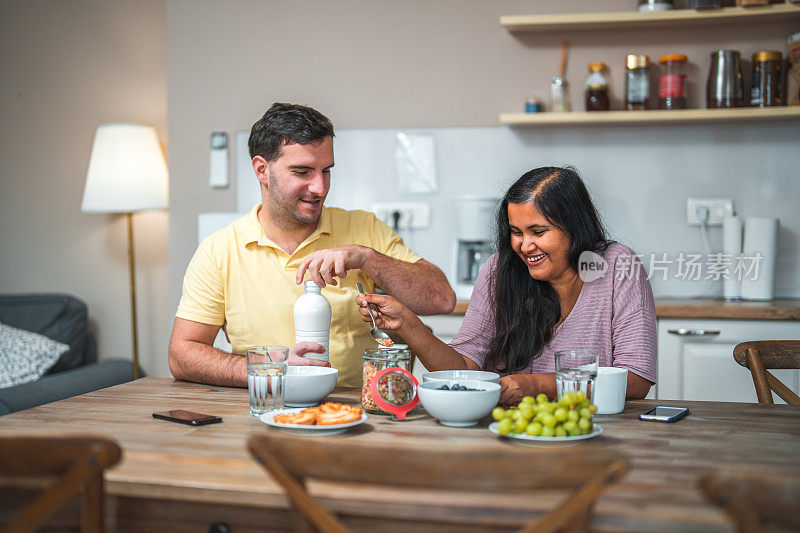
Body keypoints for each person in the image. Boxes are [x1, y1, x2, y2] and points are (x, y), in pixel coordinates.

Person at [169, 103, 455, 388]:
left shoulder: (365, 229)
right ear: (261, 170)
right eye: (303, 172)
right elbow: (182, 355)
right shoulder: (219, 250)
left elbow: (442, 299)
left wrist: (366, 258)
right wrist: (270, 367)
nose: (320, 187)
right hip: (263, 410)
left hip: (356, 414)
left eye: (326, 171)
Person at [357, 166, 656, 405]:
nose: (525, 246)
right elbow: (462, 369)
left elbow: (636, 379)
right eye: (516, 232)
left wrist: (539, 385)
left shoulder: (617, 266)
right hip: (506, 431)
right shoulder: (499, 270)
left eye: (538, 231)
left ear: (575, 228)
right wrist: (408, 324)